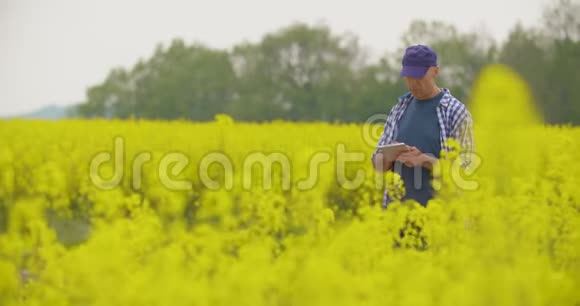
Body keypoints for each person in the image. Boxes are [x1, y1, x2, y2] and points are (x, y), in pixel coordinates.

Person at [371, 44, 475, 208]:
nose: (413, 85)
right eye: (408, 78)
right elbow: (377, 164)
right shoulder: (399, 108)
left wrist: (425, 160)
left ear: (435, 71)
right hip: (396, 217)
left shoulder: (456, 112)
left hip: (440, 218)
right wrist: (387, 156)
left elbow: (465, 172)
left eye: (419, 78)